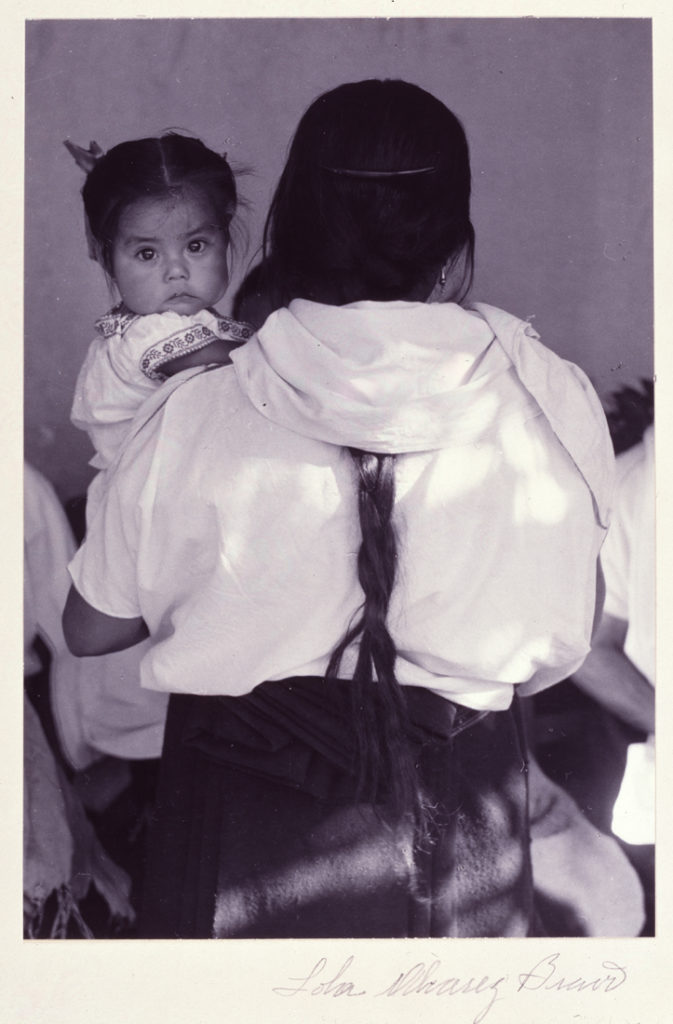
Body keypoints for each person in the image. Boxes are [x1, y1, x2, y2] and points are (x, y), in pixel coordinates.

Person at [63, 79, 614, 939]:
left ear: (294, 218)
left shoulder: (197, 402)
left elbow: (93, 627)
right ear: (451, 230)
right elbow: (565, 631)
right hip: (465, 817)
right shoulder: (544, 393)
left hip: (243, 834)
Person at [65, 133, 252, 516]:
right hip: (155, 514)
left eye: (196, 246)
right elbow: (256, 362)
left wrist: (98, 178)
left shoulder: (175, 322)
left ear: (226, 231)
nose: (177, 271)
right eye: (147, 253)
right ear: (103, 256)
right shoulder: (149, 335)